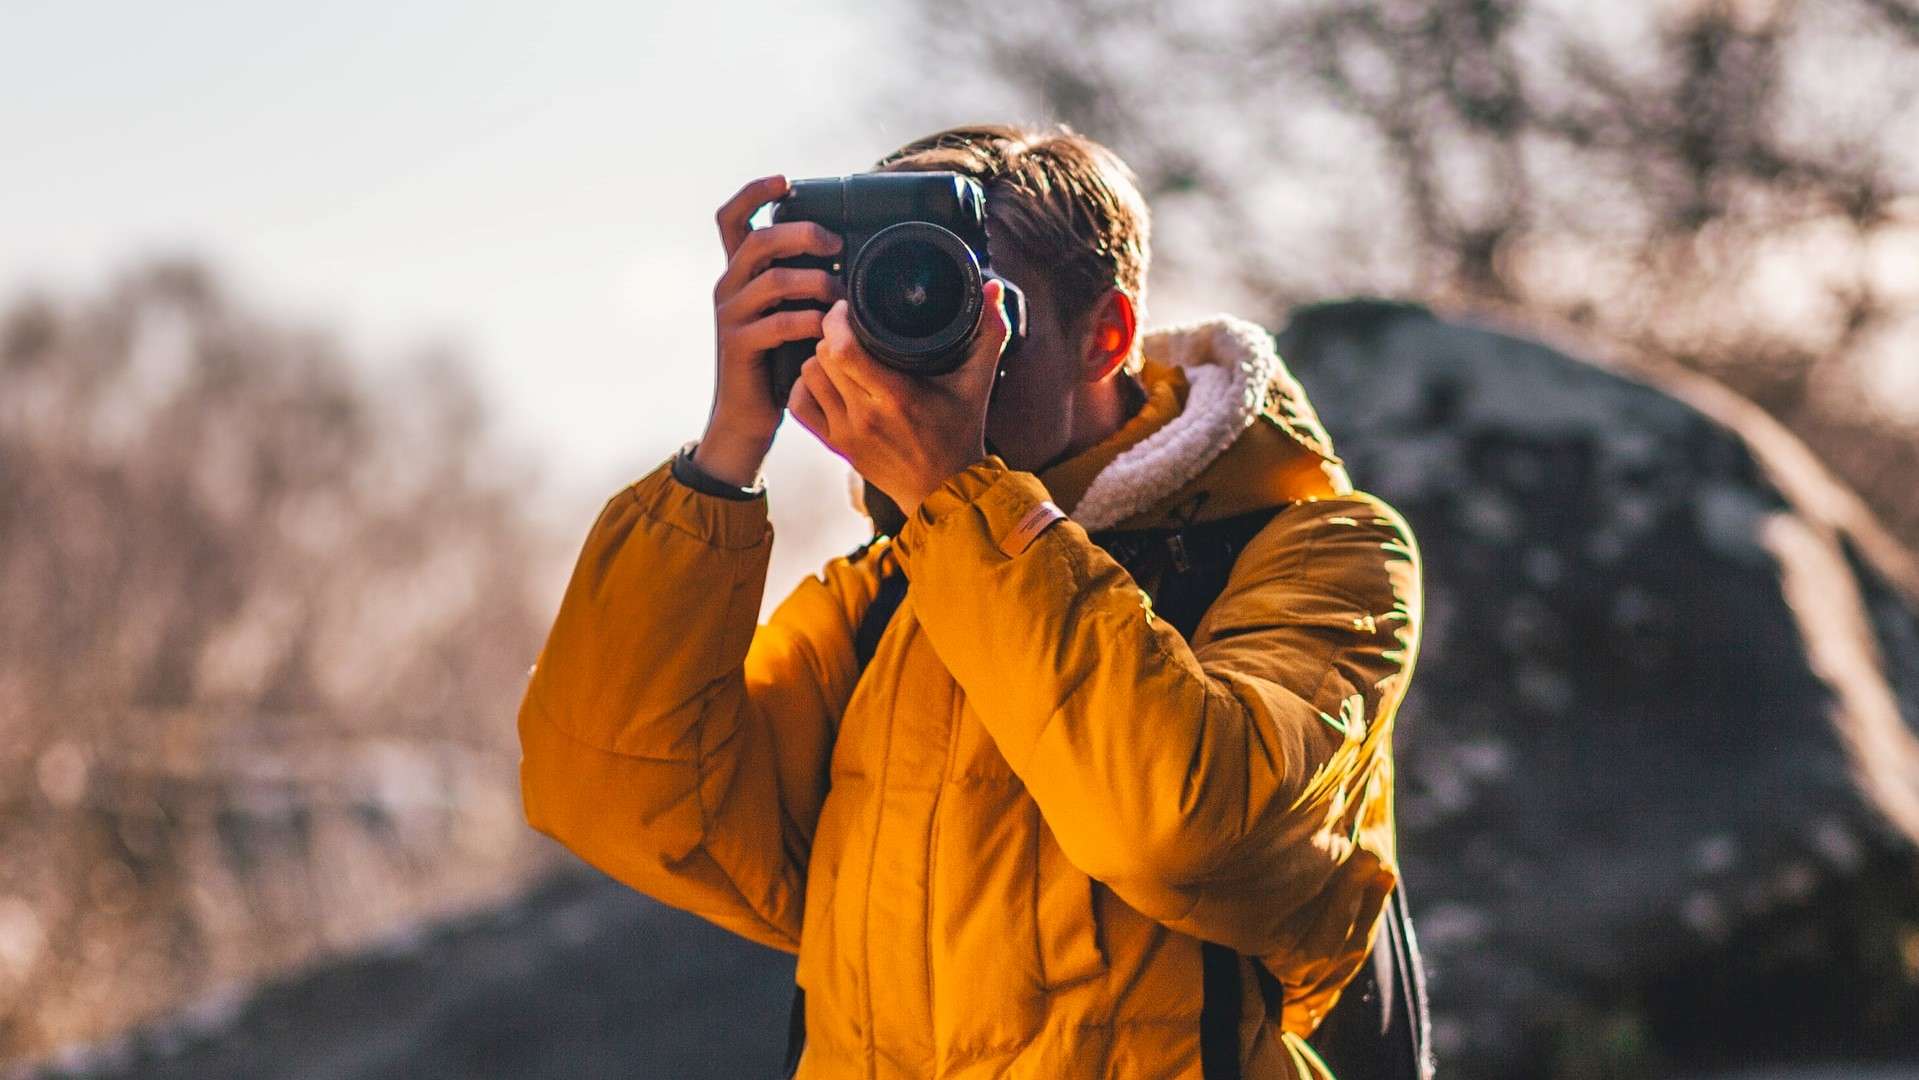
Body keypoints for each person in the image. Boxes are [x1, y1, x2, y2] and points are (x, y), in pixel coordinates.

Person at [516, 123, 1424, 1079]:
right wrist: (727, 448)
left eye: (967, 304)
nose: (916, 348)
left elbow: (1182, 834)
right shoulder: (882, 593)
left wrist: (960, 494)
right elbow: (617, 797)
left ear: (1104, 337)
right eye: (881, 303)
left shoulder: (1320, 546)